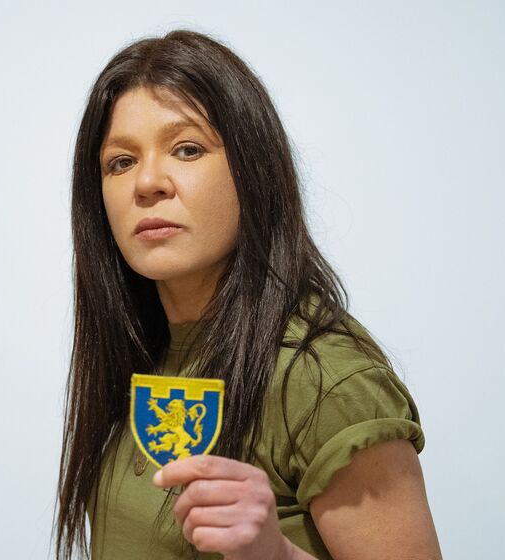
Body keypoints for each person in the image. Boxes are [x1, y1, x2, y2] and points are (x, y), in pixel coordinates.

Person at [53, 29, 442, 560]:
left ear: (253, 171)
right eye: (120, 162)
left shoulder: (323, 377)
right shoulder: (145, 353)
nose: (147, 182)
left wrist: (274, 554)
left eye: (187, 149)